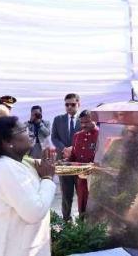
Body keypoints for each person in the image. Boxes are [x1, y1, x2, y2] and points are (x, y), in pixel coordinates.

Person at [0, 116, 57, 256]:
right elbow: (34, 212)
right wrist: (47, 178)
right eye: (23, 130)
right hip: (4, 250)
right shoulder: (5, 168)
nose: (30, 132)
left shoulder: (19, 163)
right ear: (7, 142)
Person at [51, 93, 81, 221]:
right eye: (67, 105)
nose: (69, 107)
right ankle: (66, 221)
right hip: (63, 162)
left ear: (78, 104)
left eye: (72, 104)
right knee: (66, 194)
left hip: (80, 163)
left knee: (82, 194)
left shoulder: (84, 119)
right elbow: (54, 137)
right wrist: (64, 149)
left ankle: (83, 221)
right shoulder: (58, 119)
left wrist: (73, 148)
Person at [67, 109, 99, 216]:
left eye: (87, 122)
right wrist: (65, 162)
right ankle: (82, 225)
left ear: (94, 120)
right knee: (82, 206)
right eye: (81, 122)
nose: (83, 125)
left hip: (96, 180)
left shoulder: (101, 134)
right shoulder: (77, 136)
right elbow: (73, 155)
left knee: (95, 208)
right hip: (81, 179)